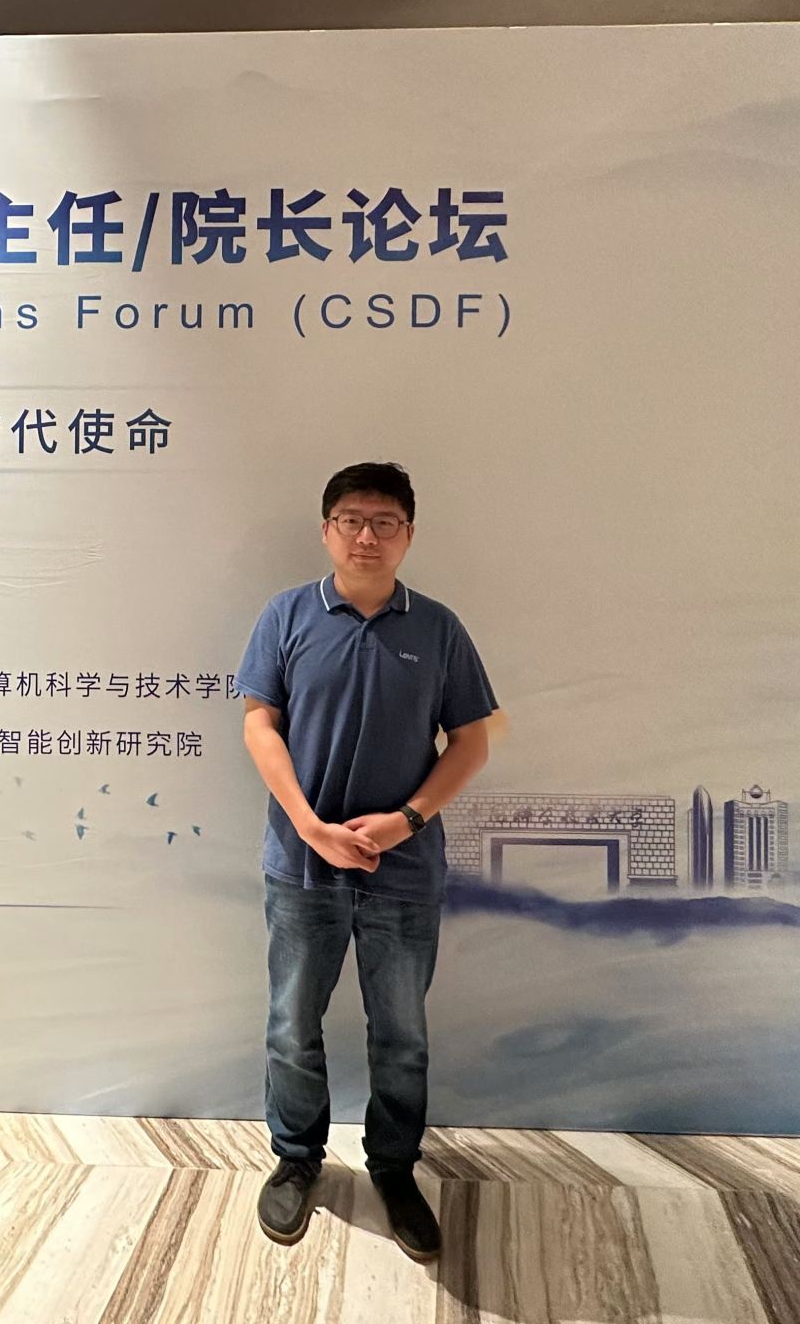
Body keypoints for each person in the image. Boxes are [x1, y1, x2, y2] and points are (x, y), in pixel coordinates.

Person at [234, 461, 498, 1263]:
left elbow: (472, 740)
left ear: (408, 535)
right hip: (302, 866)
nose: (367, 536)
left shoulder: (439, 629)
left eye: (386, 522)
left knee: (402, 1035)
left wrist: (405, 821)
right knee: (292, 1025)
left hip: (403, 874)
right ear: (326, 531)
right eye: (351, 520)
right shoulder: (286, 615)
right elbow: (259, 724)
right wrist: (310, 825)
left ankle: (393, 1169)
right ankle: (296, 1159)